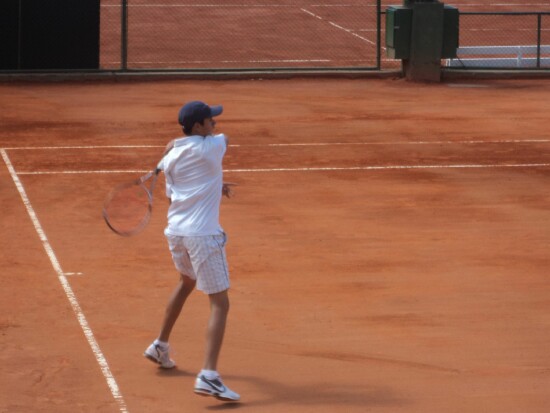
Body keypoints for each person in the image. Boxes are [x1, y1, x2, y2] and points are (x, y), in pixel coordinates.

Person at [144, 100, 239, 402]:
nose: (215, 124)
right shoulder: (211, 147)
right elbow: (223, 140)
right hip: (203, 237)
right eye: (210, 120)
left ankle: (160, 345)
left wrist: (214, 184)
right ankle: (209, 376)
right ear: (198, 127)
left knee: (186, 282)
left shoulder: (171, 158)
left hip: (177, 233)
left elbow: (178, 195)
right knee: (220, 304)